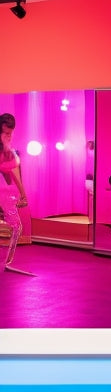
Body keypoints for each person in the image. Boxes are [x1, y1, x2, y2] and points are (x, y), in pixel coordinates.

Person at [0, 113, 30, 273]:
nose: (9, 136)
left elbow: (14, 174)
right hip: (4, 193)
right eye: (5, 133)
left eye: (11, 132)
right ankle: (6, 262)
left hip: (7, 193)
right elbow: (12, 173)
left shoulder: (8, 151)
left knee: (17, 227)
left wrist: (23, 194)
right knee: (16, 227)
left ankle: (7, 262)